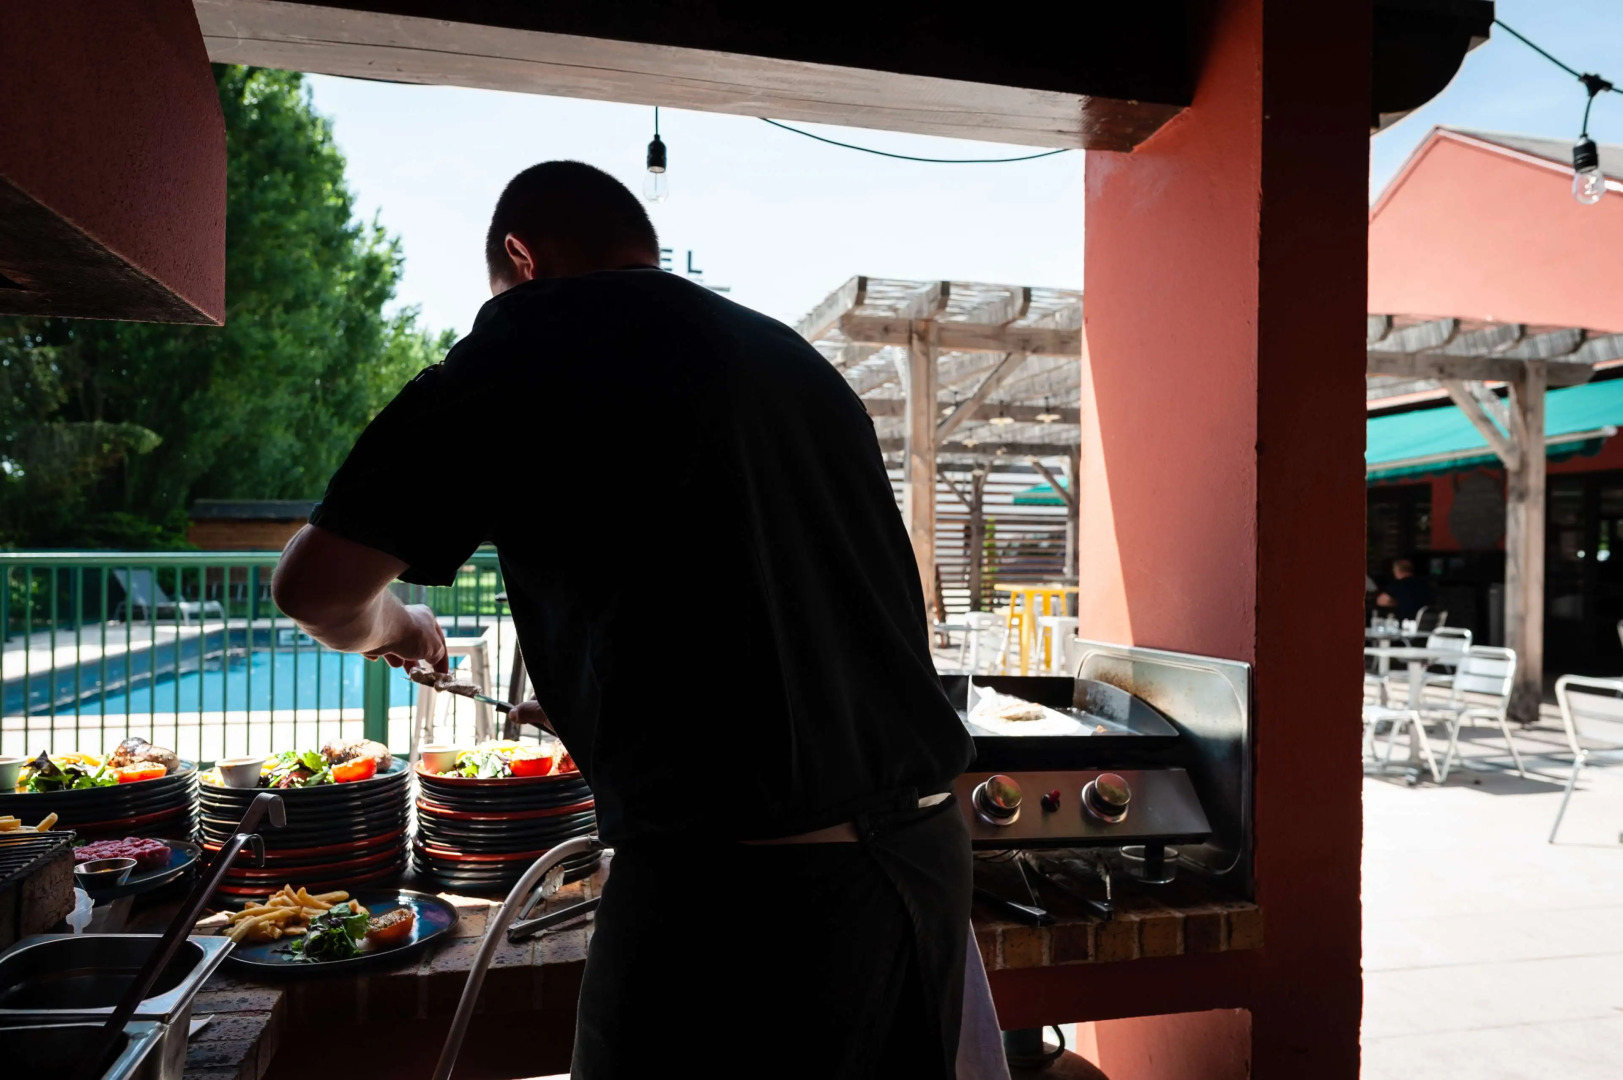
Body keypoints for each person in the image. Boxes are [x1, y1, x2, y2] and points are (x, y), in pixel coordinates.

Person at [271, 162, 976, 1078]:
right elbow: (768, 612)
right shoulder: (789, 361)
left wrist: (399, 626)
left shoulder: (534, 337)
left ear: (521, 259)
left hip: (745, 897)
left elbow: (315, 589)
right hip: (918, 866)